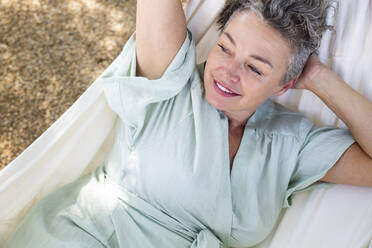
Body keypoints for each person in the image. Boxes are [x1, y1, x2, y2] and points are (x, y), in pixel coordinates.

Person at [4, 0, 372, 247]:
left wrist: (322, 79)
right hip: (88, 236)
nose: (228, 71)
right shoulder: (170, 83)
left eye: (256, 68)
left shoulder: (291, 142)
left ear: (286, 84)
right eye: (225, 47)